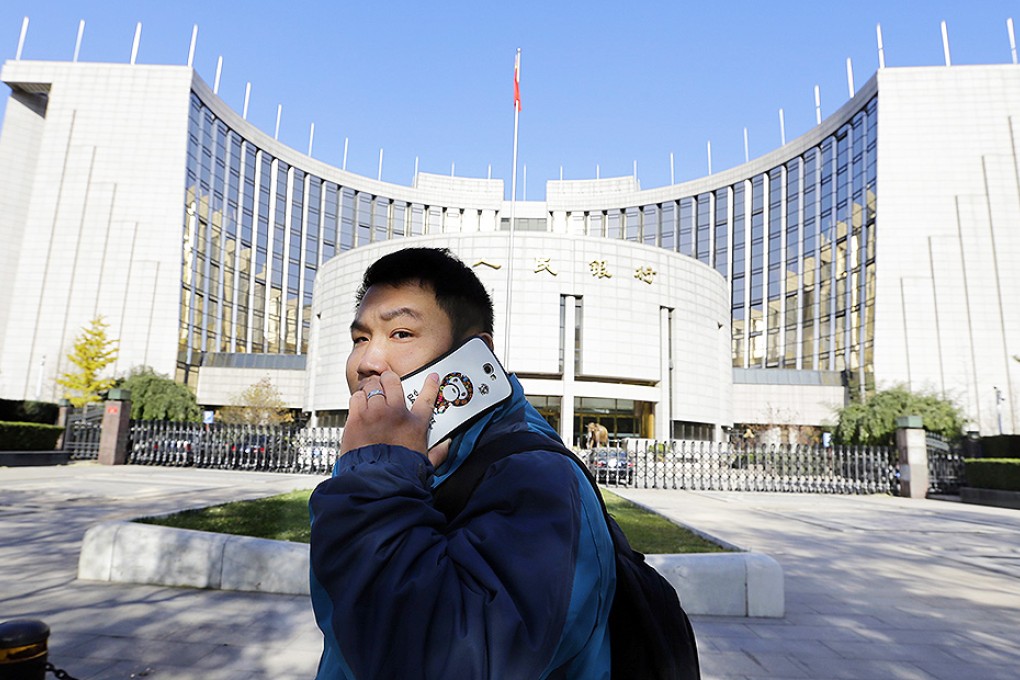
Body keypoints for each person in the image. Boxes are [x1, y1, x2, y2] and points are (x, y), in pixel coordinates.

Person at [309, 247, 615, 679]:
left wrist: (377, 476)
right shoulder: (405, 462)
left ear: (476, 354)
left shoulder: (537, 479)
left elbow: (444, 660)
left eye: (400, 334)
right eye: (360, 339)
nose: (367, 362)